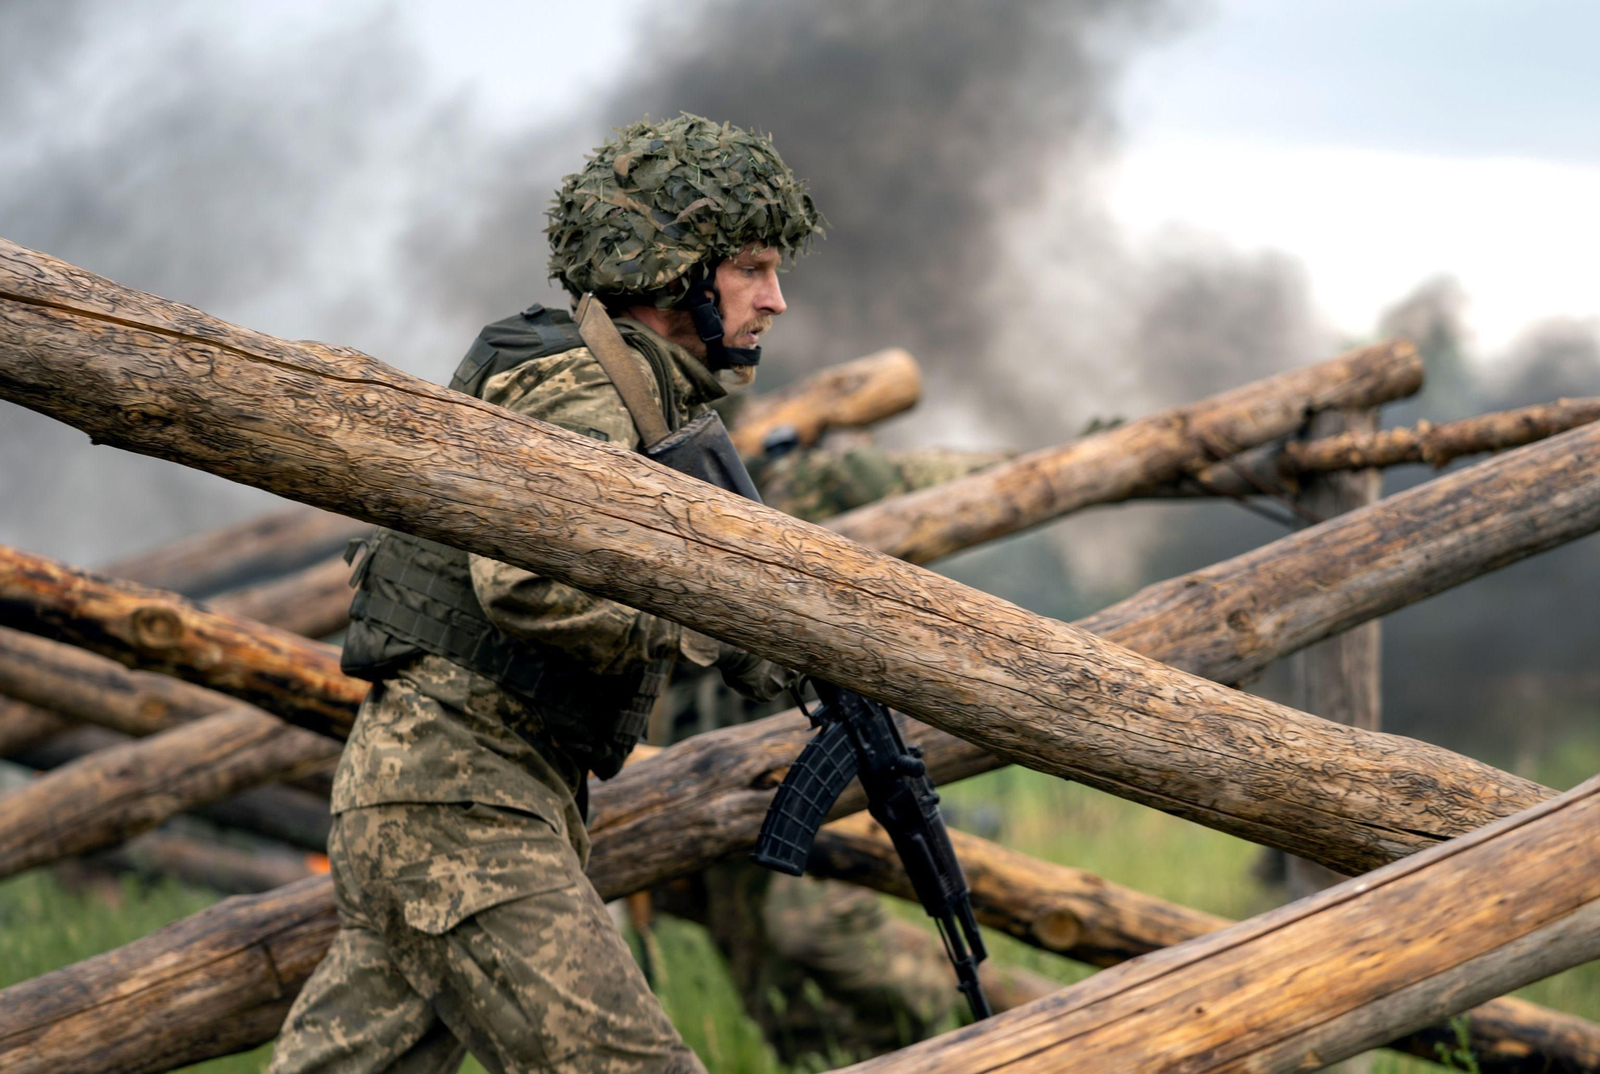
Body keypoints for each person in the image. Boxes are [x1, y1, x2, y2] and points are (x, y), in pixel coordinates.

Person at [266, 113, 823, 1074]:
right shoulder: (582, 388)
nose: (774, 299)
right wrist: (715, 631)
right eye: (751, 269)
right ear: (671, 271)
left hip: (458, 792)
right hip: (461, 798)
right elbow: (529, 585)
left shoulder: (633, 392)